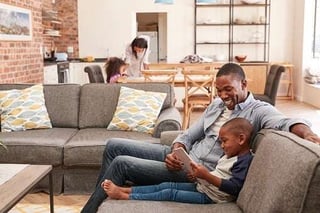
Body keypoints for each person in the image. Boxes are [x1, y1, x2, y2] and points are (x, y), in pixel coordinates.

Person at [81, 63, 320, 213]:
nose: (223, 95)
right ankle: (101, 200)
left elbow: (285, 122)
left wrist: (307, 133)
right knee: (113, 145)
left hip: (195, 170)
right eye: (219, 90)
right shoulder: (216, 105)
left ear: (244, 84)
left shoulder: (258, 110)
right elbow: (189, 133)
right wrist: (177, 148)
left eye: (229, 89)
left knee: (122, 163)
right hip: (180, 157)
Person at [102, 117, 253, 204]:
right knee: (166, 185)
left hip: (211, 197)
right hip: (204, 187)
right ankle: (126, 189)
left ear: (241, 139)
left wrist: (206, 175)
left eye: (224, 141)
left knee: (169, 193)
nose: (221, 145)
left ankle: (125, 196)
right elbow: (220, 174)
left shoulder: (244, 160)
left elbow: (234, 187)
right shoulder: (229, 155)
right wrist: (199, 177)